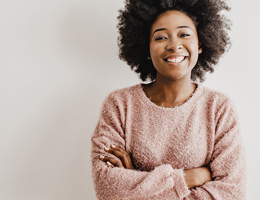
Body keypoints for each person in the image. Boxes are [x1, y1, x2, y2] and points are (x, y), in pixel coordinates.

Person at [91, 0, 246, 199]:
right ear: (147, 49)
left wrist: (138, 184)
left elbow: (231, 193)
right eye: (161, 37)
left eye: (184, 34)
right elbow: (108, 189)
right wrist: (189, 177)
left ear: (200, 43)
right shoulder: (120, 105)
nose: (174, 45)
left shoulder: (218, 108)